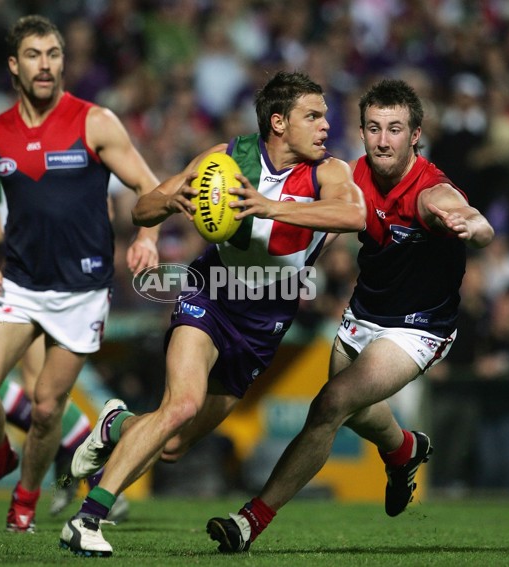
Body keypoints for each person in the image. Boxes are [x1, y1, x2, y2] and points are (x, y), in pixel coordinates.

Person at [58, 70, 367, 557]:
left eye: (325, 115)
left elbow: (354, 215)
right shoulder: (226, 159)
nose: (326, 125)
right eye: (314, 115)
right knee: (180, 404)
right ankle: (88, 518)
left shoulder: (330, 172)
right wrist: (170, 200)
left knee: (175, 446)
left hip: (265, 322)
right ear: (279, 122)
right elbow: (142, 210)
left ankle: (115, 426)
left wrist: (268, 207)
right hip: (211, 294)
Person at [204, 78, 495, 553]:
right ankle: (404, 450)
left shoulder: (430, 192)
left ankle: (248, 521)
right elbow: (326, 230)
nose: (384, 140)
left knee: (330, 405)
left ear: (415, 135)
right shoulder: (353, 178)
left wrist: (473, 225)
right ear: (361, 131)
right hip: (363, 316)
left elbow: (471, 219)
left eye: (395, 129)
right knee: (356, 412)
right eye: (374, 128)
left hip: (417, 328)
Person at [0, 15, 159, 533]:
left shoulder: (95, 121)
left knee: (46, 410)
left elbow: (148, 186)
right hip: (19, 285)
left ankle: (25, 499)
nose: (47, 65)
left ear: (64, 61)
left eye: (55, 54)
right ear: (14, 66)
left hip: (82, 294)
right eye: (35, 55)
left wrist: (149, 237)